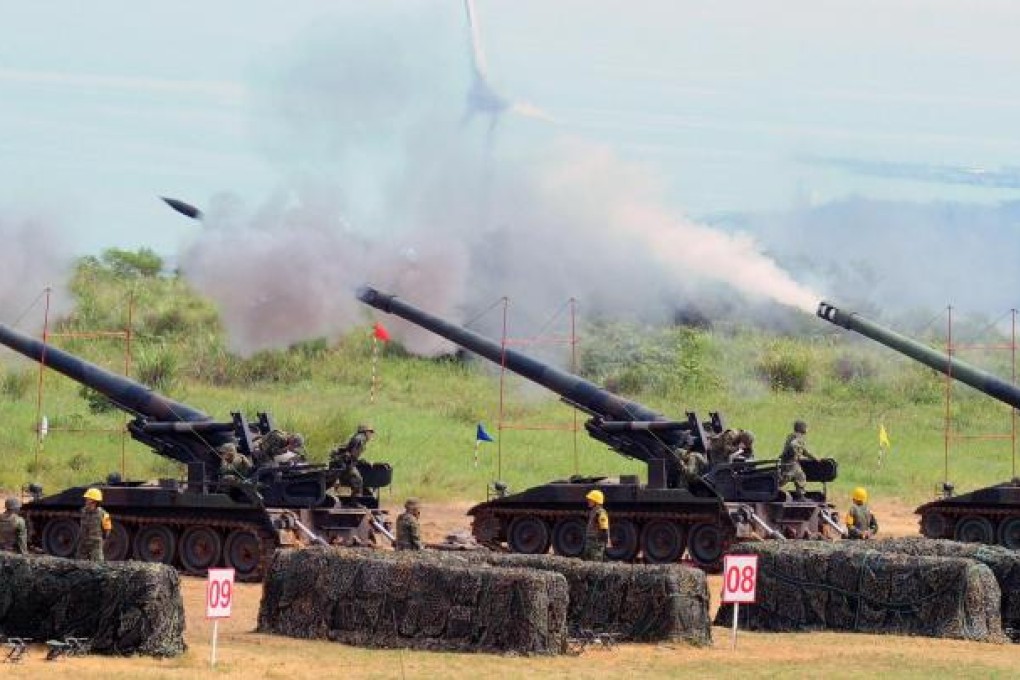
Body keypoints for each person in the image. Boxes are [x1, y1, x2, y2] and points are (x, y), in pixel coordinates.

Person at [330, 424, 375, 496]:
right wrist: (361, 462)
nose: (371, 435)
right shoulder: (360, 439)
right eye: (370, 432)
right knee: (358, 480)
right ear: (365, 432)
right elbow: (351, 456)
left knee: (356, 479)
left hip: (342, 461)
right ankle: (355, 502)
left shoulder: (358, 438)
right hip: (343, 462)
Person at [780, 420, 817, 501]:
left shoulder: (791, 436)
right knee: (786, 477)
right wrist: (797, 454)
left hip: (789, 462)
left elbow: (804, 451)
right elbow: (795, 446)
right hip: (791, 462)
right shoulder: (798, 438)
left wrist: (814, 458)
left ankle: (800, 495)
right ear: (802, 428)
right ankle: (800, 496)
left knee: (800, 476)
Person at [78, 487, 112, 562]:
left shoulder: (103, 514)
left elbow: (107, 529)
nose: (86, 500)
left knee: (97, 565)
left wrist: (103, 541)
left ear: (95, 501)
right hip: (83, 542)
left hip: (95, 544)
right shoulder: (83, 511)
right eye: (86, 499)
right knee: (80, 564)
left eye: (88, 499)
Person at [582, 489, 610, 561]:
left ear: (596, 501)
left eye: (590, 500)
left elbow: (604, 528)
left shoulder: (600, 513)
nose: (588, 501)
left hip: (596, 544)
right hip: (590, 543)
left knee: (595, 563)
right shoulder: (593, 511)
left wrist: (606, 541)